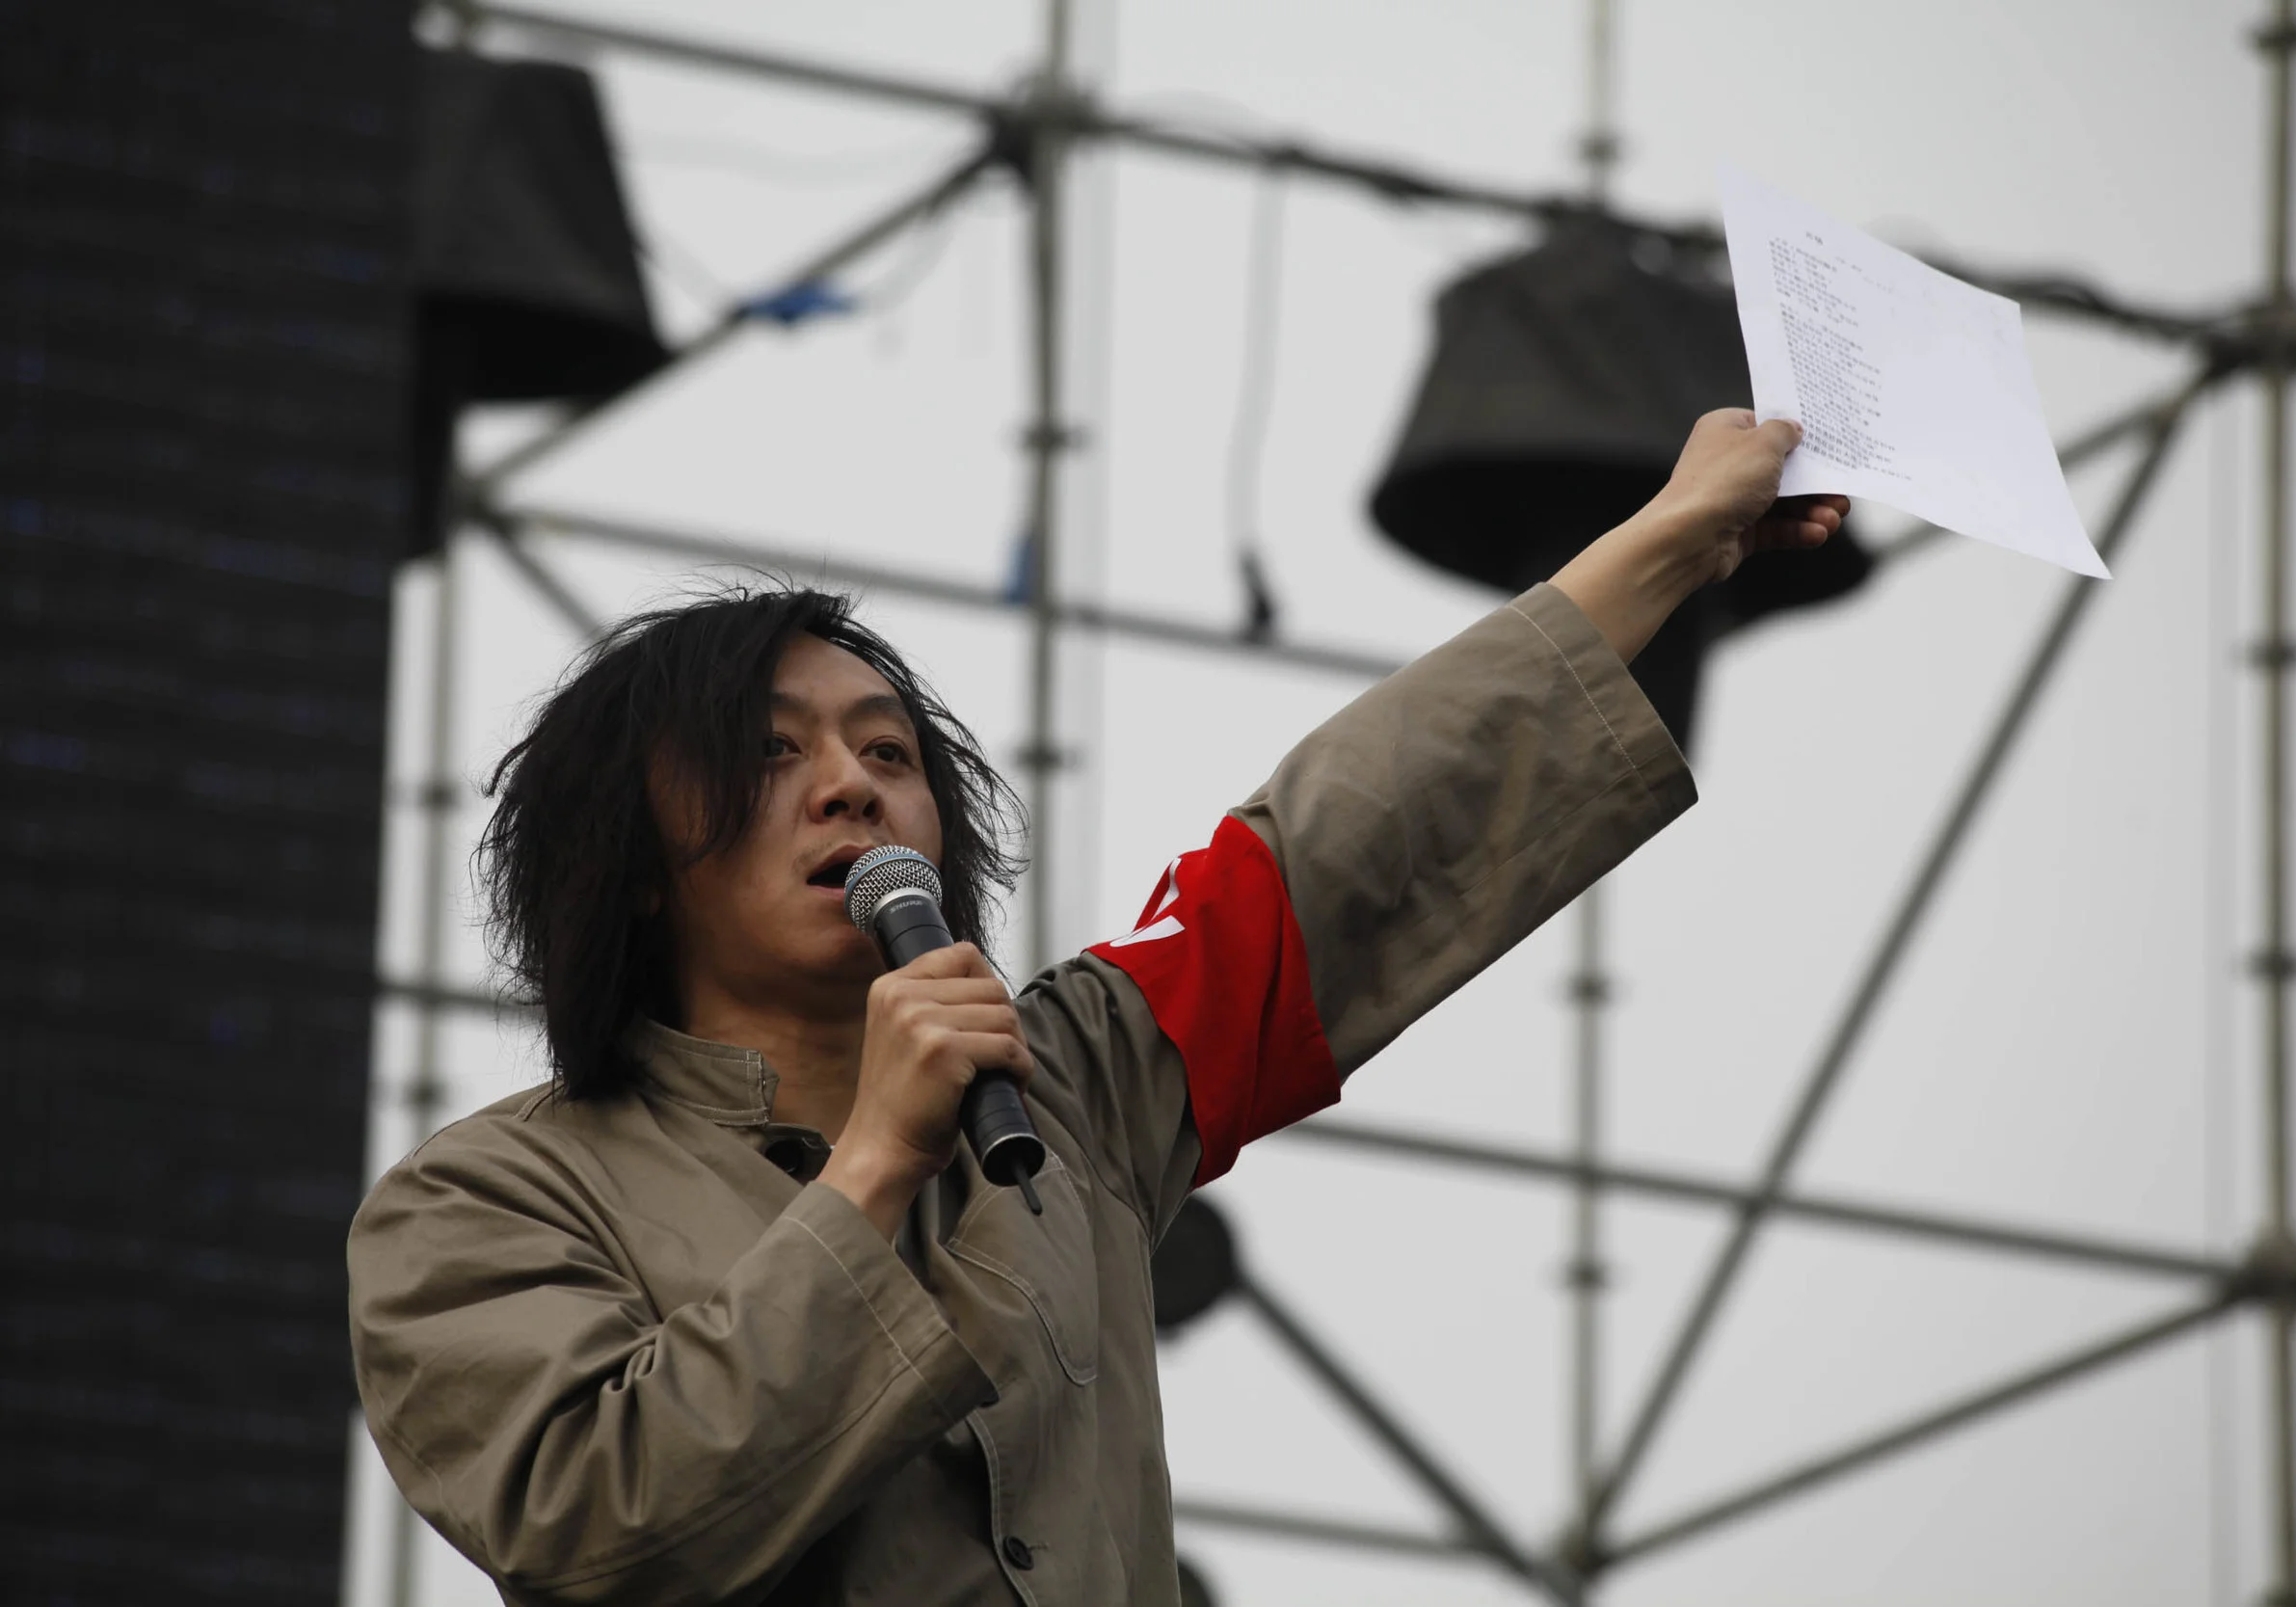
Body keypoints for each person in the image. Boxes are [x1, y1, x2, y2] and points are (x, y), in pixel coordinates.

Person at [348, 412, 1846, 1606]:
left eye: (888, 752)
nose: (852, 783)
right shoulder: (480, 1201)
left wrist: (1671, 535)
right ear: (627, 863)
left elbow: (1355, 829)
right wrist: (874, 1165)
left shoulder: (1072, 1081)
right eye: (770, 750)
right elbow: (602, 1526)